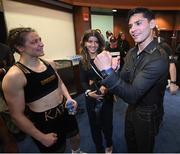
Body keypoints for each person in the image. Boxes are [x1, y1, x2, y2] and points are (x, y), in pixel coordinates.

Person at [94, 7, 169, 152]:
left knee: (143, 149)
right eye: (130, 26)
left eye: (138, 23)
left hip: (147, 113)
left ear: (152, 24)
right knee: (131, 144)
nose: (133, 29)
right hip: (131, 109)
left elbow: (132, 95)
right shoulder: (132, 52)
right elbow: (124, 78)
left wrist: (107, 71)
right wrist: (114, 71)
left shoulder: (159, 58)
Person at [2, 27, 82, 153]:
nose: (41, 44)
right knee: (58, 149)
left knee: (75, 137)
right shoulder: (14, 76)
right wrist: (41, 137)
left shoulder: (49, 63)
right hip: (45, 123)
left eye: (40, 39)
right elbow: (16, 115)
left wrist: (69, 98)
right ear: (20, 47)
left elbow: (59, 83)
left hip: (65, 111)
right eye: (34, 42)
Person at [0, 42, 40, 153]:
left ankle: (16, 133)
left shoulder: (4, 48)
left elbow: (12, 66)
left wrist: (2, 71)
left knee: (8, 112)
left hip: (3, 83)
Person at [79, 29, 114, 153]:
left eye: (96, 42)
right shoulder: (83, 60)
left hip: (107, 96)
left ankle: (109, 145)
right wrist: (89, 93)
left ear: (100, 43)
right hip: (91, 98)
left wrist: (106, 86)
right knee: (94, 126)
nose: (93, 45)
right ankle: (99, 148)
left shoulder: (105, 56)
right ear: (84, 43)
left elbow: (112, 76)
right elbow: (83, 81)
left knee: (107, 125)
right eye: (90, 41)